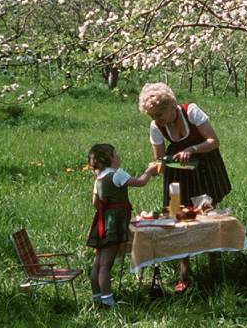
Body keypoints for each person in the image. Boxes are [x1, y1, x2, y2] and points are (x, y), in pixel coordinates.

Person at [137, 82, 232, 293]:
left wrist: (192, 149)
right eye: (153, 116)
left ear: (172, 105)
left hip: (204, 167)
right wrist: (153, 168)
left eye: (160, 114)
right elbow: (160, 158)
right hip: (177, 172)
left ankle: (213, 268)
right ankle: (184, 274)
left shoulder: (192, 112)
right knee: (178, 217)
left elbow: (214, 141)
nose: (157, 120)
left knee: (208, 215)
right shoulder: (156, 126)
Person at [86, 143, 158, 308]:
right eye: (115, 153)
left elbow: (95, 203)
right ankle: (108, 300)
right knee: (106, 264)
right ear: (110, 159)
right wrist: (149, 172)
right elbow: (140, 182)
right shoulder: (117, 174)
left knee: (98, 262)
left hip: (102, 222)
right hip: (113, 225)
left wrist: (107, 210)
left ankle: (97, 297)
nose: (118, 155)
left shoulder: (99, 178)